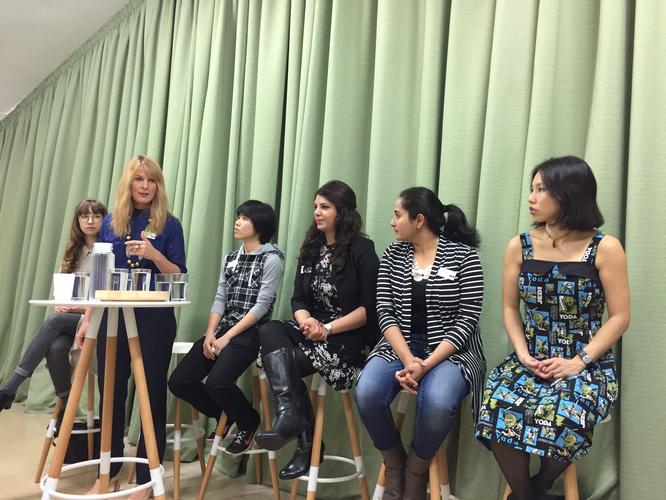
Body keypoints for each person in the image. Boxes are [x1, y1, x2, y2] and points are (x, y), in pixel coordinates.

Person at [475, 156, 630, 500]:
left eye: (541, 189)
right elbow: (508, 307)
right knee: (495, 405)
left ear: (569, 193)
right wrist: (522, 353)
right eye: (532, 189)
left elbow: (620, 316)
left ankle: (538, 487)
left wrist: (579, 361)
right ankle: (528, 495)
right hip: (530, 358)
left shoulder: (604, 247)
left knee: (567, 416)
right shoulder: (520, 245)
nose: (531, 197)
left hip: (586, 364)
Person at [355, 187, 485, 499]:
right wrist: (410, 359)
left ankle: (417, 467)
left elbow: (468, 319)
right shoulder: (392, 255)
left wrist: (426, 364)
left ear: (419, 220)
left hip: (453, 351)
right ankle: (394, 461)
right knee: (368, 392)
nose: (392, 222)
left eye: (397, 215)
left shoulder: (464, 257)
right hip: (399, 345)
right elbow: (384, 312)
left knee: (438, 403)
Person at [75, 155, 186, 498]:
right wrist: (86, 318)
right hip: (113, 317)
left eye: (151, 180)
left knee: (151, 393)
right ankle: (107, 472)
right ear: (128, 183)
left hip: (154, 319)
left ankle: (146, 477)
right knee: (112, 392)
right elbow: (98, 274)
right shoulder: (110, 223)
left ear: (158, 186)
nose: (145, 186)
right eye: (139, 179)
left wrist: (154, 255)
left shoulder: (170, 224)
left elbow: (179, 274)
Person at [254, 180, 380, 480]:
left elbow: (369, 308)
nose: (317, 213)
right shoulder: (311, 248)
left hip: (349, 335)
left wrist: (327, 328)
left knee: (284, 362)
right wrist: (306, 321)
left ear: (343, 212)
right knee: (271, 329)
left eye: (325, 207)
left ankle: (306, 441)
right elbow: (298, 298)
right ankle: (291, 414)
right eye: (315, 207)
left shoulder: (363, 249)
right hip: (312, 327)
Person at [168, 200, 284, 454]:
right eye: (238, 216)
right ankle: (226, 413)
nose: (238, 221)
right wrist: (211, 334)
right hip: (223, 328)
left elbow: (262, 306)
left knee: (217, 383)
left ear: (260, 225)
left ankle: (248, 421)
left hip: (252, 332)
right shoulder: (230, 258)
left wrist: (226, 338)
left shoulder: (272, 258)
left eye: (245, 218)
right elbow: (220, 298)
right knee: (179, 381)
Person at [0, 199, 107, 426]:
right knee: (56, 347)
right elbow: (62, 292)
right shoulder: (72, 252)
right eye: (84, 216)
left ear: (104, 219)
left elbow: (104, 296)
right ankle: (66, 402)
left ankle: (11, 386)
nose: (89, 221)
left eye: (96, 216)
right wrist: (62, 304)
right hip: (71, 320)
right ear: (77, 221)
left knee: (54, 320)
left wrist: (74, 308)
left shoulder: (107, 251)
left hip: (98, 318)